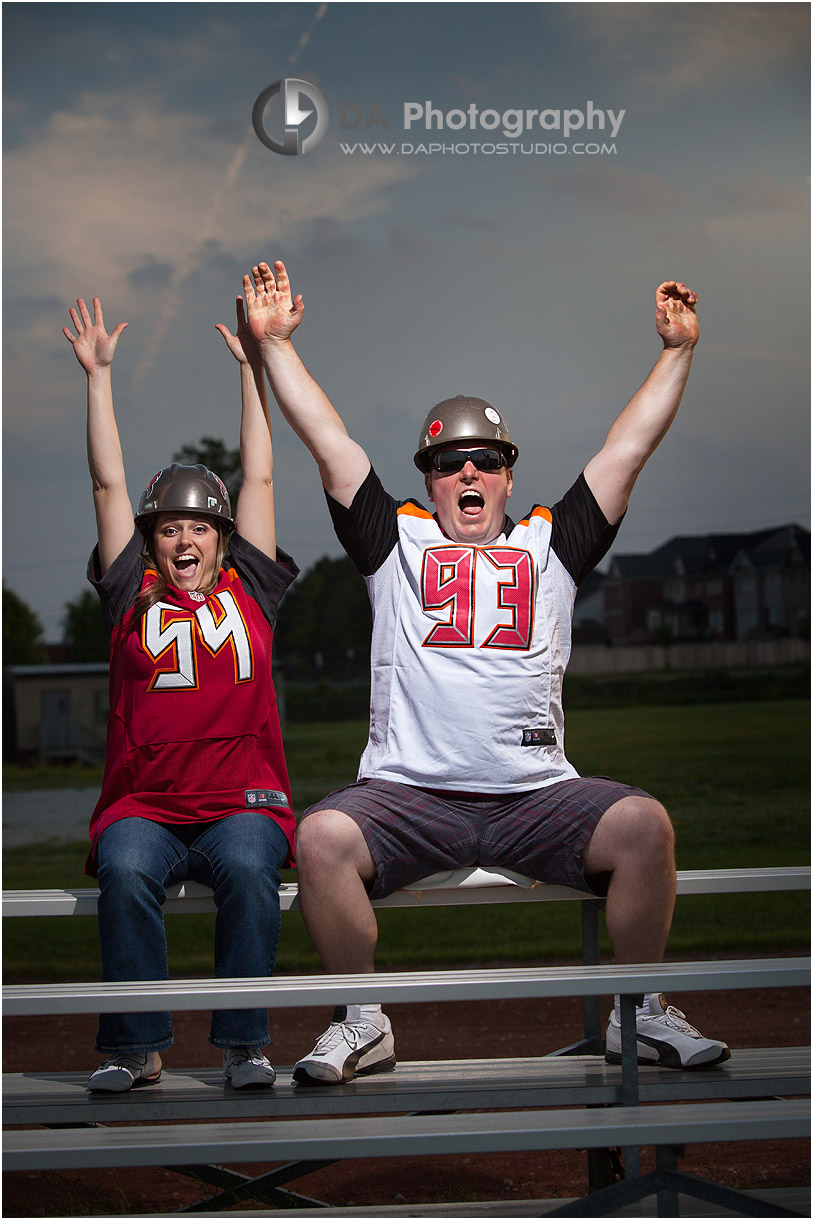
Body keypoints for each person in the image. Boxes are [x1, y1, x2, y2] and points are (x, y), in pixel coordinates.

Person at [243, 259, 729, 1085]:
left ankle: (637, 1011)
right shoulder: (396, 543)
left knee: (644, 826)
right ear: (428, 482)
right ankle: (362, 1021)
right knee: (320, 835)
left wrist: (676, 352)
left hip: (534, 793)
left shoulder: (552, 544)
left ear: (508, 474)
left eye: (485, 461)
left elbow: (627, 448)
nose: (467, 474)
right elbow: (330, 444)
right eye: (448, 463)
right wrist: (279, 344)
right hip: (408, 793)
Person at [63, 293, 298, 1091]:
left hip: (240, 800)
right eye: (168, 527)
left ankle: (244, 1044)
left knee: (247, 868)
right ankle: (136, 1046)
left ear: (222, 539)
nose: (184, 538)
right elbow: (106, 484)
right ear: (151, 540)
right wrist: (98, 378)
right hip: (147, 805)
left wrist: (255, 372)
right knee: (125, 872)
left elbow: (259, 471)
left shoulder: (251, 591)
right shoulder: (131, 592)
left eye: (199, 526)